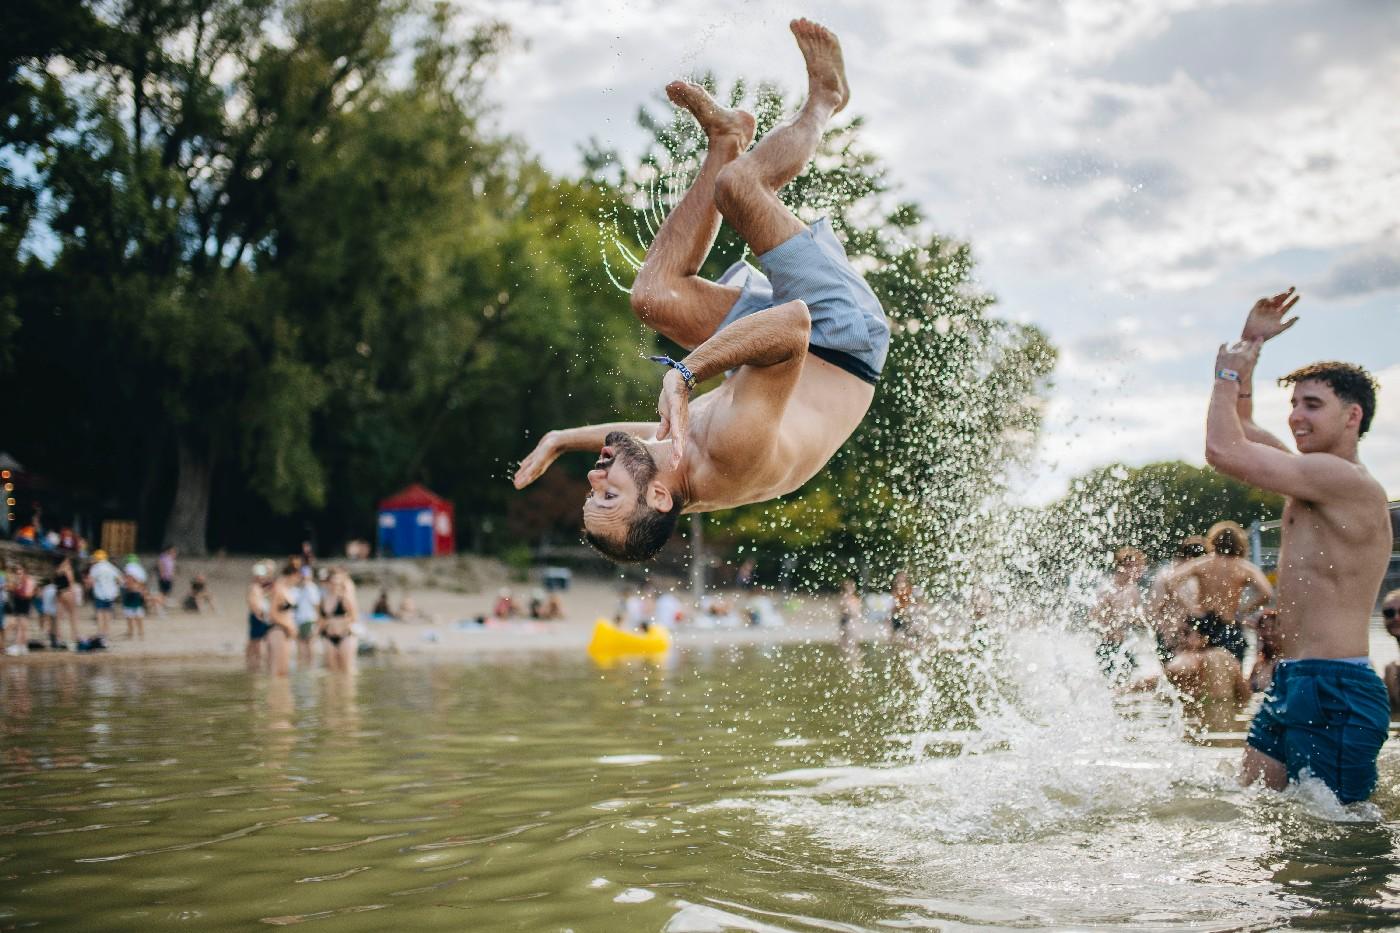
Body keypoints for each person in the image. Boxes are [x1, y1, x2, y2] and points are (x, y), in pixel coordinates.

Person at [513, 21, 888, 564]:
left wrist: (560, 437)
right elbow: (793, 324)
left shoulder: (675, 470)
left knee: (654, 299)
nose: (596, 476)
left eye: (593, 490)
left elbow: (641, 433)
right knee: (739, 188)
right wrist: (685, 372)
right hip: (836, 337)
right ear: (659, 495)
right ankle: (826, 101)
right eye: (608, 491)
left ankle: (726, 137)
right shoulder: (734, 452)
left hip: (772, 352)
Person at [1207, 287, 1391, 803]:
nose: (1296, 417)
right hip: (1293, 680)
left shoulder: (1346, 480)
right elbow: (1242, 427)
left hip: (1336, 687)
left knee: (1339, 842)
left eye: (1313, 405)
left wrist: (1224, 372)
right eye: (1293, 404)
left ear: (1352, 416)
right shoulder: (1310, 476)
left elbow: (1223, 448)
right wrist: (1251, 344)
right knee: (1258, 814)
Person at [1169, 521, 1273, 664]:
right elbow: (1267, 593)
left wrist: (1190, 608)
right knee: (1232, 674)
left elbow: (1170, 581)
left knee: (1201, 676)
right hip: (1230, 626)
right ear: (1240, 543)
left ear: (1213, 541)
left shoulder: (1203, 563)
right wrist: (1243, 610)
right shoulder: (1244, 567)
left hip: (1203, 626)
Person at [1091, 547, 1147, 681]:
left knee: (1130, 683)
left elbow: (1139, 618)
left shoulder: (1132, 590)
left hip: (1124, 645)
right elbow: (1095, 618)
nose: (1140, 572)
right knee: (1114, 684)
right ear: (1124, 567)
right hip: (1108, 646)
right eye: (1137, 567)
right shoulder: (1107, 589)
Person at [1146, 536, 1206, 662]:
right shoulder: (1164, 577)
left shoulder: (1193, 577)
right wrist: (1167, 632)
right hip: (1172, 639)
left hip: (1191, 638)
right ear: (1191, 559)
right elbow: (1151, 611)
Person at [321, 567, 359, 673]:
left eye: (337, 582)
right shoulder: (324, 599)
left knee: (346, 671)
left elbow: (354, 617)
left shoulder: (345, 598)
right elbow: (320, 619)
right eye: (332, 582)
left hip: (345, 636)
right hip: (329, 637)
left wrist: (340, 623)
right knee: (331, 672)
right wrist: (328, 623)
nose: (334, 585)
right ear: (328, 583)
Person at [266, 562, 300, 676]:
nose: (298, 580)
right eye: (297, 577)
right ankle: (275, 692)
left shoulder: (287, 589)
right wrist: (288, 626)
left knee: (284, 670)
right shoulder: (278, 589)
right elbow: (271, 614)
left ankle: (282, 693)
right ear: (293, 575)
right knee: (277, 670)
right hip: (278, 630)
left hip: (285, 631)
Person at [86, 549, 120, 640]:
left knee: (100, 612)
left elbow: (90, 581)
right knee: (108, 612)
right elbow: (119, 579)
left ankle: (101, 632)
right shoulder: (110, 567)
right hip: (110, 594)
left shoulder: (95, 568)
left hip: (99, 593)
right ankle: (107, 632)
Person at [246, 562, 273, 671]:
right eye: (259, 576)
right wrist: (259, 614)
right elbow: (251, 602)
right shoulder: (254, 587)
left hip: (261, 616)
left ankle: (255, 663)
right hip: (258, 616)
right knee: (256, 641)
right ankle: (255, 664)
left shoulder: (261, 587)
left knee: (257, 640)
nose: (261, 578)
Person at [293, 568, 321, 666]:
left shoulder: (311, 588)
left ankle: (310, 666)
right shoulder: (297, 589)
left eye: (305, 576)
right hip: (298, 620)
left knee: (310, 644)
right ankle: (303, 666)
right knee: (300, 644)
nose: (304, 578)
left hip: (309, 619)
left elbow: (316, 606)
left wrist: (318, 622)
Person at [120, 554, 148, 639]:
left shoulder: (129, 568)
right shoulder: (140, 569)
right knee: (138, 613)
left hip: (130, 592)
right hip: (138, 592)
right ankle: (141, 633)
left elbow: (129, 579)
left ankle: (130, 633)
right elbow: (143, 582)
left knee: (129, 614)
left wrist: (128, 585)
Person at [889, 570, 915, 637]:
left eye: (902, 578)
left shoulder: (908, 588)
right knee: (895, 631)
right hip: (897, 613)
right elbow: (893, 601)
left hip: (905, 613)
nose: (901, 580)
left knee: (906, 632)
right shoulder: (895, 588)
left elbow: (911, 600)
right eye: (899, 578)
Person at [157, 547, 177, 612]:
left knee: (166, 593)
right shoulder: (163, 557)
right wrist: (162, 574)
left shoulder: (172, 559)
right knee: (162, 593)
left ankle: (163, 606)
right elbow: (160, 565)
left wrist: (172, 576)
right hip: (164, 578)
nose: (174, 553)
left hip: (169, 578)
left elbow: (172, 568)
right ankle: (160, 607)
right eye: (173, 551)